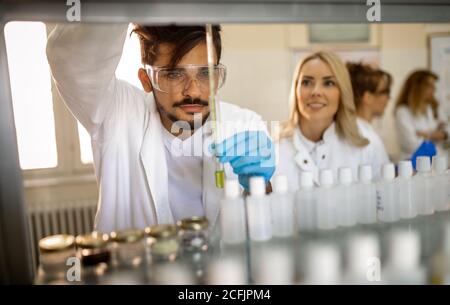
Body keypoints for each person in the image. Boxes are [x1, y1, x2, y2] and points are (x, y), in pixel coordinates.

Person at [46, 24, 275, 232]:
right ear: (146, 80)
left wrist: (261, 185)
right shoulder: (118, 112)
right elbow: (73, 61)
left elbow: (273, 230)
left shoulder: (245, 124)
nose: (193, 91)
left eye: (205, 73)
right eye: (175, 74)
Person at [276, 51, 388, 190]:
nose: (316, 92)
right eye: (306, 82)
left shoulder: (367, 143)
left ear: (342, 92)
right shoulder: (272, 147)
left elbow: (384, 204)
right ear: (295, 90)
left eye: (328, 83)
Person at [395, 70, 449, 160]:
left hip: (438, 161)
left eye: (434, 85)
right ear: (417, 87)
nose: (434, 89)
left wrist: (428, 135)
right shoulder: (403, 112)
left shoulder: (434, 108)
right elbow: (411, 144)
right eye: (429, 85)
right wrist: (436, 134)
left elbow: (448, 129)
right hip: (414, 164)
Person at [347, 62, 391, 161]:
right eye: (385, 92)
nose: (388, 98)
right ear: (368, 97)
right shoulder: (366, 138)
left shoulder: (358, 130)